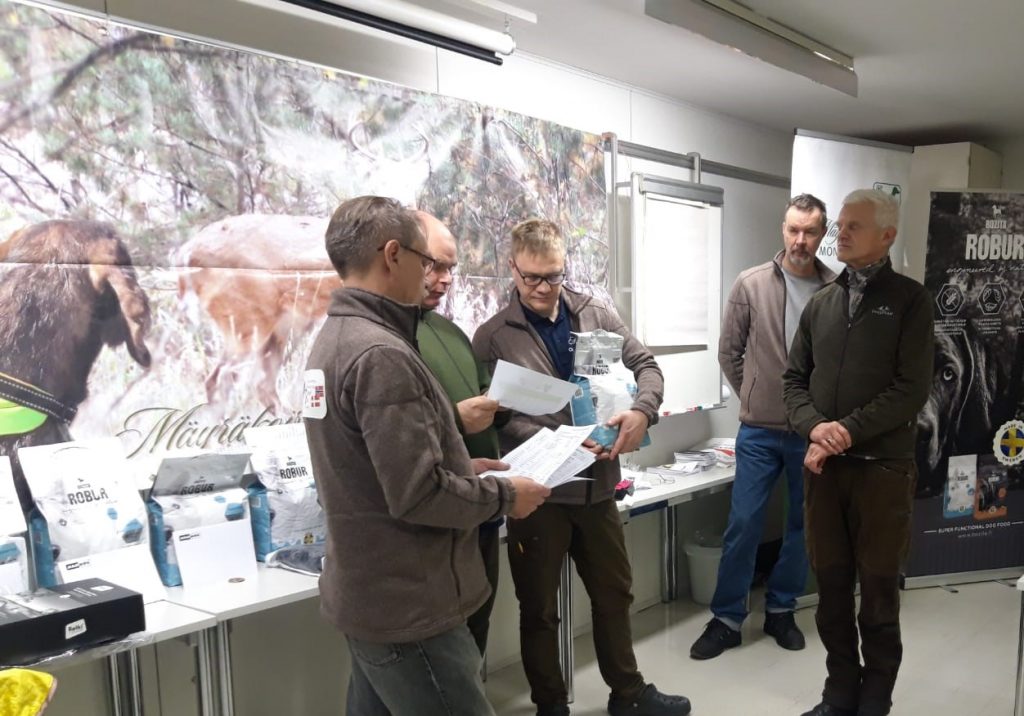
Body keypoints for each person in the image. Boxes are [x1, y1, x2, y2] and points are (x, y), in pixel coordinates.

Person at [302, 196, 550, 716]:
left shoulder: (335, 339)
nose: (434, 277)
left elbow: (375, 469)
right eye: (426, 261)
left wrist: (461, 467)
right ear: (393, 255)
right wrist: (505, 496)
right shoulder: (381, 354)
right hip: (409, 604)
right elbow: (418, 495)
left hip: (371, 594)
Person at [472, 218, 690, 716]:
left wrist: (642, 411)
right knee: (539, 609)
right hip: (538, 494)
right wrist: (553, 437)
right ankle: (551, 704)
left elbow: (647, 366)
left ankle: (628, 694)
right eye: (532, 277)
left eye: (554, 275)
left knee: (614, 594)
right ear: (513, 269)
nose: (544, 288)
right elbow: (493, 417)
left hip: (598, 487)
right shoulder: (492, 337)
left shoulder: (596, 313)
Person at [782, 189, 934, 716]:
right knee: (830, 592)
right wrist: (816, 427)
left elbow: (910, 390)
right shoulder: (822, 303)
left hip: (882, 473)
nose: (839, 233)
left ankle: (875, 700)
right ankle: (839, 693)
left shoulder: (911, 301)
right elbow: (793, 380)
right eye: (840, 224)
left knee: (878, 596)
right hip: (825, 474)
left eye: (854, 226)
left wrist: (843, 431)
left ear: (887, 236)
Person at [690, 194, 835, 660]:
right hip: (759, 432)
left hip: (811, 434)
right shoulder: (751, 283)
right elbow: (728, 352)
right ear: (782, 229)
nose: (800, 240)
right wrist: (753, 395)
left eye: (809, 231)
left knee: (802, 526)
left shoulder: (836, 289)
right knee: (744, 523)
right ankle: (727, 619)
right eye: (793, 229)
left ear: (822, 234)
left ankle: (780, 610)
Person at [414, 210, 504, 657]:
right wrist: (455, 417)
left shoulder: (450, 332)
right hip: (436, 518)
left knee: (478, 621)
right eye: (435, 266)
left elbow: (480, 393)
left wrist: (495, 403)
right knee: (438, 648)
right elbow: (401, 433)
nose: (446, 279)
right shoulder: (386, 341)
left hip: (480, 505)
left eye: (451, 268)